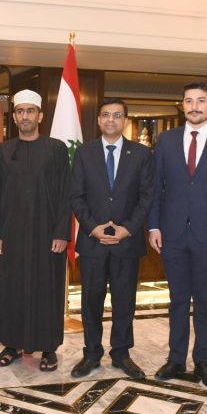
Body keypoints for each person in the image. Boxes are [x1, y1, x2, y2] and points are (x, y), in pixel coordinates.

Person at [147, 80, 207, 390]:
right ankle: (175, 359)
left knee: (204, 301)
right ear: (182, 105)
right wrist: (153, 226)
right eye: (188, 101)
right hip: (172, 233)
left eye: (201, 100)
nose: (194, 106)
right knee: (177, 300)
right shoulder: (166, 140)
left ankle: (203, 361)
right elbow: (155, 187)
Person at [69, 98, 154, 379]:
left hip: (126, 242)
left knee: (124, 302)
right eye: (106, 115)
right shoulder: (84, 153)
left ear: (125, 120)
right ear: (98, 120)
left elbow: (146, 197)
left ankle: (121, 354)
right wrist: (92, 227)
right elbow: (76, 196)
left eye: (117, 115)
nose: (111, 120)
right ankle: (91, 353)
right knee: (91, 301)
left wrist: (127, 229)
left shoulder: (141, 154)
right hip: (92, 241)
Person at [0, 89, 71, 372]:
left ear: (40, 116)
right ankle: (11, 345)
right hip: (11, 234)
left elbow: (65, 194)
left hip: (48, 234)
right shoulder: (2, 151)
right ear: (14, 117)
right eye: (20, 111)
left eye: (30, 111)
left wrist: (61, 232)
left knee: (47, 288)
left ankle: (48, 348)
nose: (25, 116)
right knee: (12, 288)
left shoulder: (56, 149)